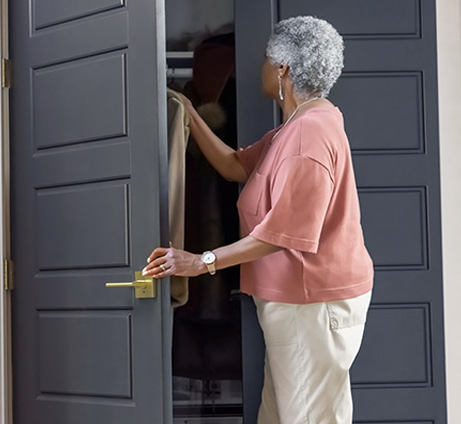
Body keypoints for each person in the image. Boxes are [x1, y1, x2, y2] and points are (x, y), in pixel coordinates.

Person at [142, 16, 374, 424]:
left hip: (312, 304)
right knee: (284, 414)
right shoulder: (298, 127)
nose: (261, 66)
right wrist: (189, 112)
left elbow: (283, 234)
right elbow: (234, 165)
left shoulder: (309, 136)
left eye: (267, 59)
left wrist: (201, 262)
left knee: (306, 418)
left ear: (283, 69)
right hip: (301, 303)